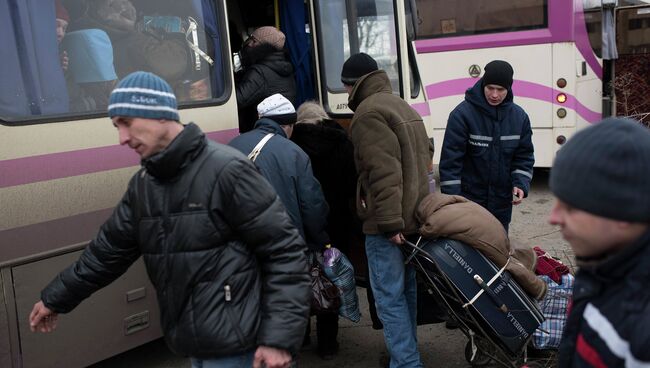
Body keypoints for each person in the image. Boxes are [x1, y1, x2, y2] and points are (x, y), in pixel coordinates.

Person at [28, 71, 310, 368]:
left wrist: (278, 339)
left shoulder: (226, 171)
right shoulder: (144, 186)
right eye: (116, 127)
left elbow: (285, 252)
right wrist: (55, 298)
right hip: (197, 343)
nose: (122, 138)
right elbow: (105, 253)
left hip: (244, 345)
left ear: (159, 114)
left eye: (126, 123)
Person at [341, 53, 432, 368]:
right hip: (414, 220)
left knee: (389, 298)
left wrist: (390, 223)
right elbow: (423, 165)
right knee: (406, 293)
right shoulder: (402, 106)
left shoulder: (368, 114)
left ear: (351, 85)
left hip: (388, 224)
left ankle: (406, 363)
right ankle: (407, 356)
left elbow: (383, 174)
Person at [549, 117, 650, 367]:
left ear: (624, 212)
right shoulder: (606, 261)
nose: (552, 218)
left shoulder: (642, 331)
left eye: (571, 208)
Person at [290, 101, 358, 359]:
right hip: (335, 225)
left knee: (299, 280)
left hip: (301, 226)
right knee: (329, 281)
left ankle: (302, 335)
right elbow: (352, 182)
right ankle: (328, 343)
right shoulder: (341, 142)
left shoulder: (291, 145)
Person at [439, 60, 534, 232]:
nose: (495, 95)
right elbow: (450, 163)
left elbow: (524, 156)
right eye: (490, 88)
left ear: (509, 89)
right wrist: (453, 202)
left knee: (498, 252)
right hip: (469, 204)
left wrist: (520, 183)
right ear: (483, 84)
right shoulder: (461, 115)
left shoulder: (520, 118)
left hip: (501, 205)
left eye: (500, 90)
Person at [229, 94, 330, 252]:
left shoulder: (233, 144)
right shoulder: (295, 153)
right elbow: (311, 205)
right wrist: (321, 242)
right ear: (288, 125)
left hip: (240, 243)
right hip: (284, 244)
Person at [235, 26, 296, 133]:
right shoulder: (284, 66)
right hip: (277, 130)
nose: (249, 44)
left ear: (264, 47)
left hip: (261, 130)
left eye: (254, 41)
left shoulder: (260, 72)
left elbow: (236, 101)